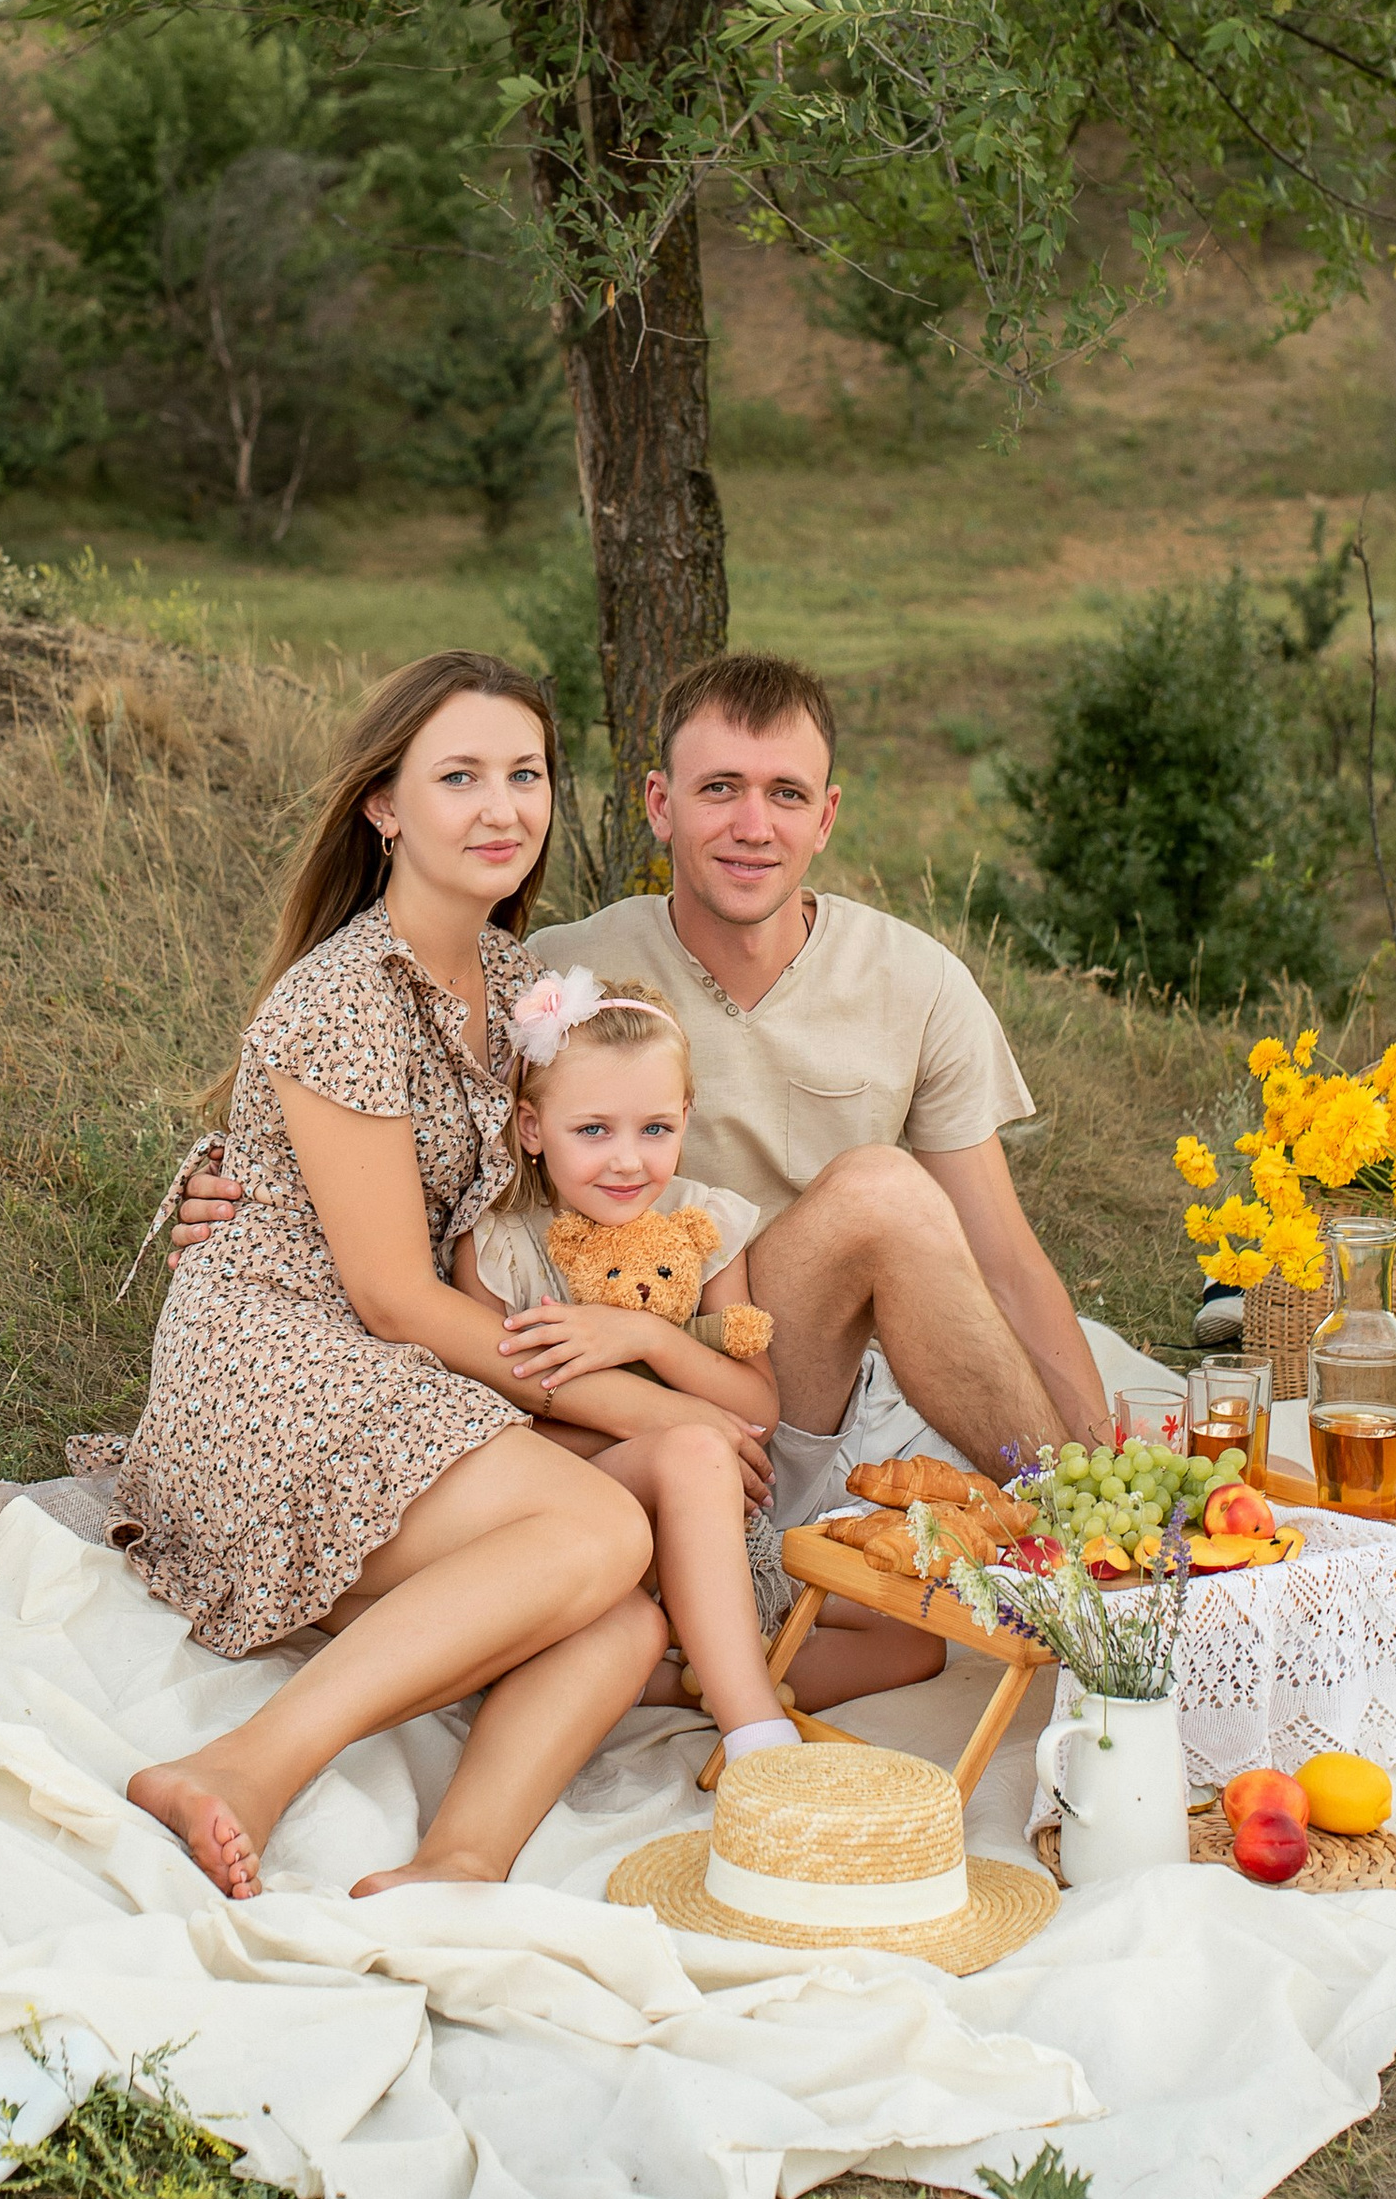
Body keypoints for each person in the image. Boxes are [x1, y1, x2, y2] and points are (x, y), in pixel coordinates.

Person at [106, 650, 780, 1907]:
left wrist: (665, 1368)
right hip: (282, 1365)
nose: (500, 807)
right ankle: (239, 1766)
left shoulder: (526, 989)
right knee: (596, 1525)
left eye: (523, 774)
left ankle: (455, 1861)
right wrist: (658, 1410)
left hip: (423, 1371)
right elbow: (394, 1299)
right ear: (385, 806)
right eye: (458, 775)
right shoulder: (340, 1000)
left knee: (625, 1611)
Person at [177, 648, 1112, 1526]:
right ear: (659, 806)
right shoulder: (559, 979)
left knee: (883, 1195)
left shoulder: (915, 978)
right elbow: (396, 1121)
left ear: (824, 817)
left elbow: (1005, 1261)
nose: (753, 826)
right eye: (719, 790)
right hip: (593, 1367)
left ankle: (1092, 1518)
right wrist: (231, 1192)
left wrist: (1103, 1455)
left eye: (785, 793)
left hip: (760, 1355)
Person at [456, 970, 946, 1770]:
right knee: (684, 1475)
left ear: (686, 1115)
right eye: (593, 1130)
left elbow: (757, 1403)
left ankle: (691, 1672)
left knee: (913, 1640)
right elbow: (487, 1428)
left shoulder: (700, 1225)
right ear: (533, 1126)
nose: (626, 1160)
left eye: (654, 1128)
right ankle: (743, 1708)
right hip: (583, 1508)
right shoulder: (505, 1247)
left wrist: (645, 1337)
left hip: (713, 1527)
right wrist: (656, 1427)